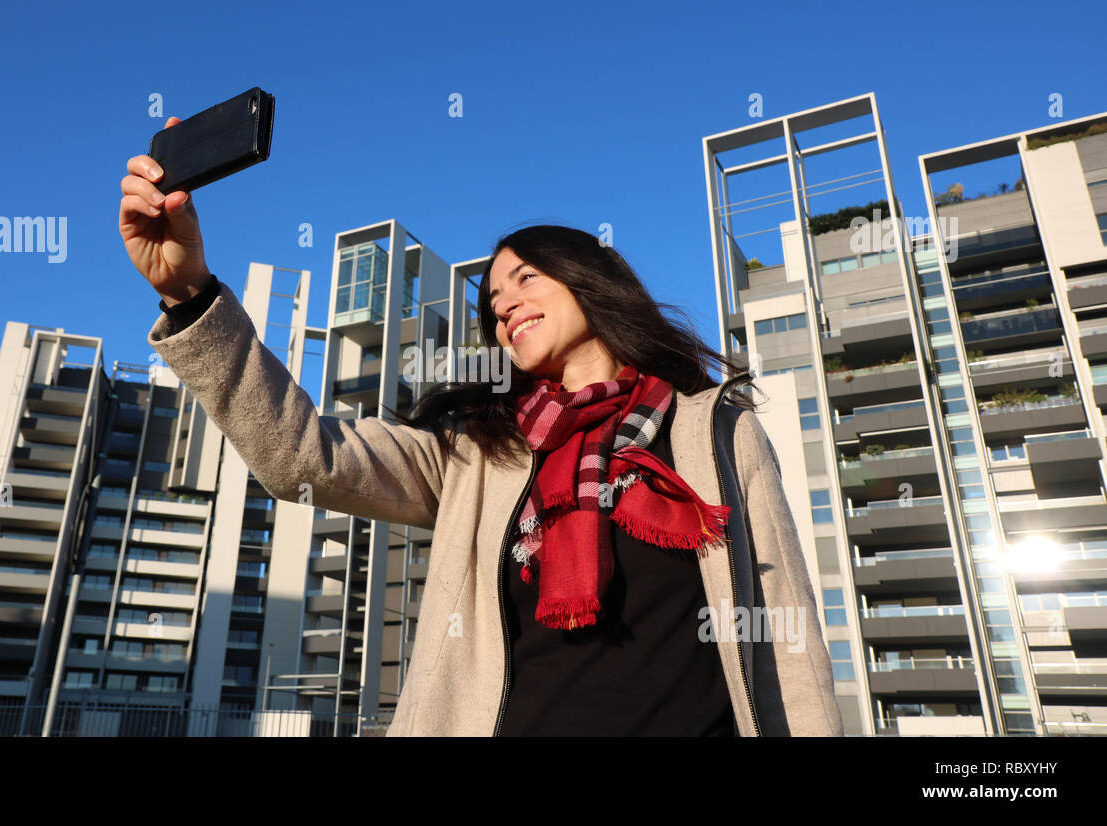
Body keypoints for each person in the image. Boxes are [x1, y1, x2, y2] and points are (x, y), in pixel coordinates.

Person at [120, 117, 842, 736]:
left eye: (526, 278)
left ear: (593, 280)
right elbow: (303, 457)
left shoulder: (714, 430)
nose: (503, 305)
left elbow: (789, 641)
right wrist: (189, 295)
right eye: (493, 299)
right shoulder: (477, 453)